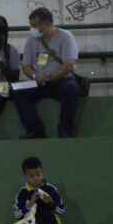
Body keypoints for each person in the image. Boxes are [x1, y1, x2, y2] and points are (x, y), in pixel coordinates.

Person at [14, 7, 80, 139]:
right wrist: (35, 76)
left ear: (47, 24)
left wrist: (50, 78)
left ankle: (65, 131)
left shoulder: (66, 37)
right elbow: (26, 66)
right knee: (17, 92)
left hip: (61, 81)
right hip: (38, 82)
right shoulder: (31, 41)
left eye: (34, 26)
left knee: (72, 89)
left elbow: (68, 64)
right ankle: (35, 130)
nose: (31, 29)